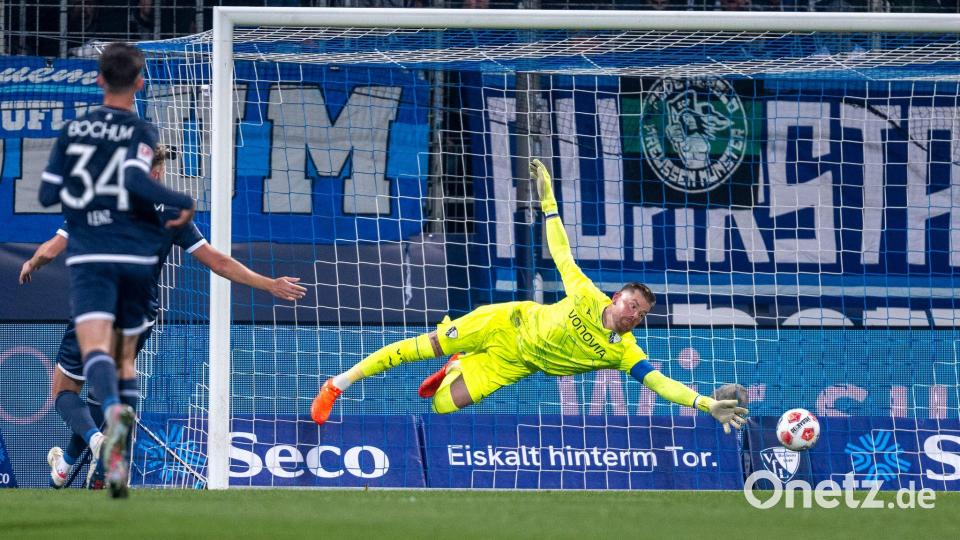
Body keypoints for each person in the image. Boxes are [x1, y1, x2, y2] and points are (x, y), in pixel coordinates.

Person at [311, 160, 748, 433]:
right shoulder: (586, 294)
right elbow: (561, 251)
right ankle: (337, 384)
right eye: (632, 304)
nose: (635, 314)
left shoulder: (624, 351)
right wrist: (548, 203)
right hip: (506, 322)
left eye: (642, 313)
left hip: (515, 363)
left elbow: (659, 382)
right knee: (419, 348)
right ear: (616, 298)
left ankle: (458, 366)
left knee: (443, 405)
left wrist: (706, 403)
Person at [23, 144, 308, 489]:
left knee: (64, 391)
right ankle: (65, 467)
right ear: (157, 174)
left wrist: (33, 262)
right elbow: (218, 262)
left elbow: (51, 249)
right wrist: (269, 284)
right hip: (138, 316)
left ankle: (97, 441)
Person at [37, 42, 196, 498]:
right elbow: (211, 256)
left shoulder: (77, 135)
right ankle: (83, 459)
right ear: (140, 82)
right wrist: (182, 200)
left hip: (94, 270)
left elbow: (49, 197)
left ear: (98, 78)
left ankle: (99, 438)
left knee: (73, 379)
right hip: (139, 292)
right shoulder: (143, 135)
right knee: (118, 367)